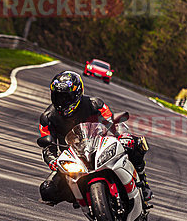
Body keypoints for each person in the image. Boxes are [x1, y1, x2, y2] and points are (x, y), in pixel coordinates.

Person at [38, 70, 153, 205]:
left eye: (66, 97)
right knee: (47, 190)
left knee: (135, 143)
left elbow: (112, 122)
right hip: (74, 158)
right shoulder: (47, 118)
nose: (62, 102)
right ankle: (84, 196)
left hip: (100, 145)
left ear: (77, 94)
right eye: (58, 97)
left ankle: (143, 182)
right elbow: (47, 146)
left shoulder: (95, 104)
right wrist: (54, 161)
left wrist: (122, 136)